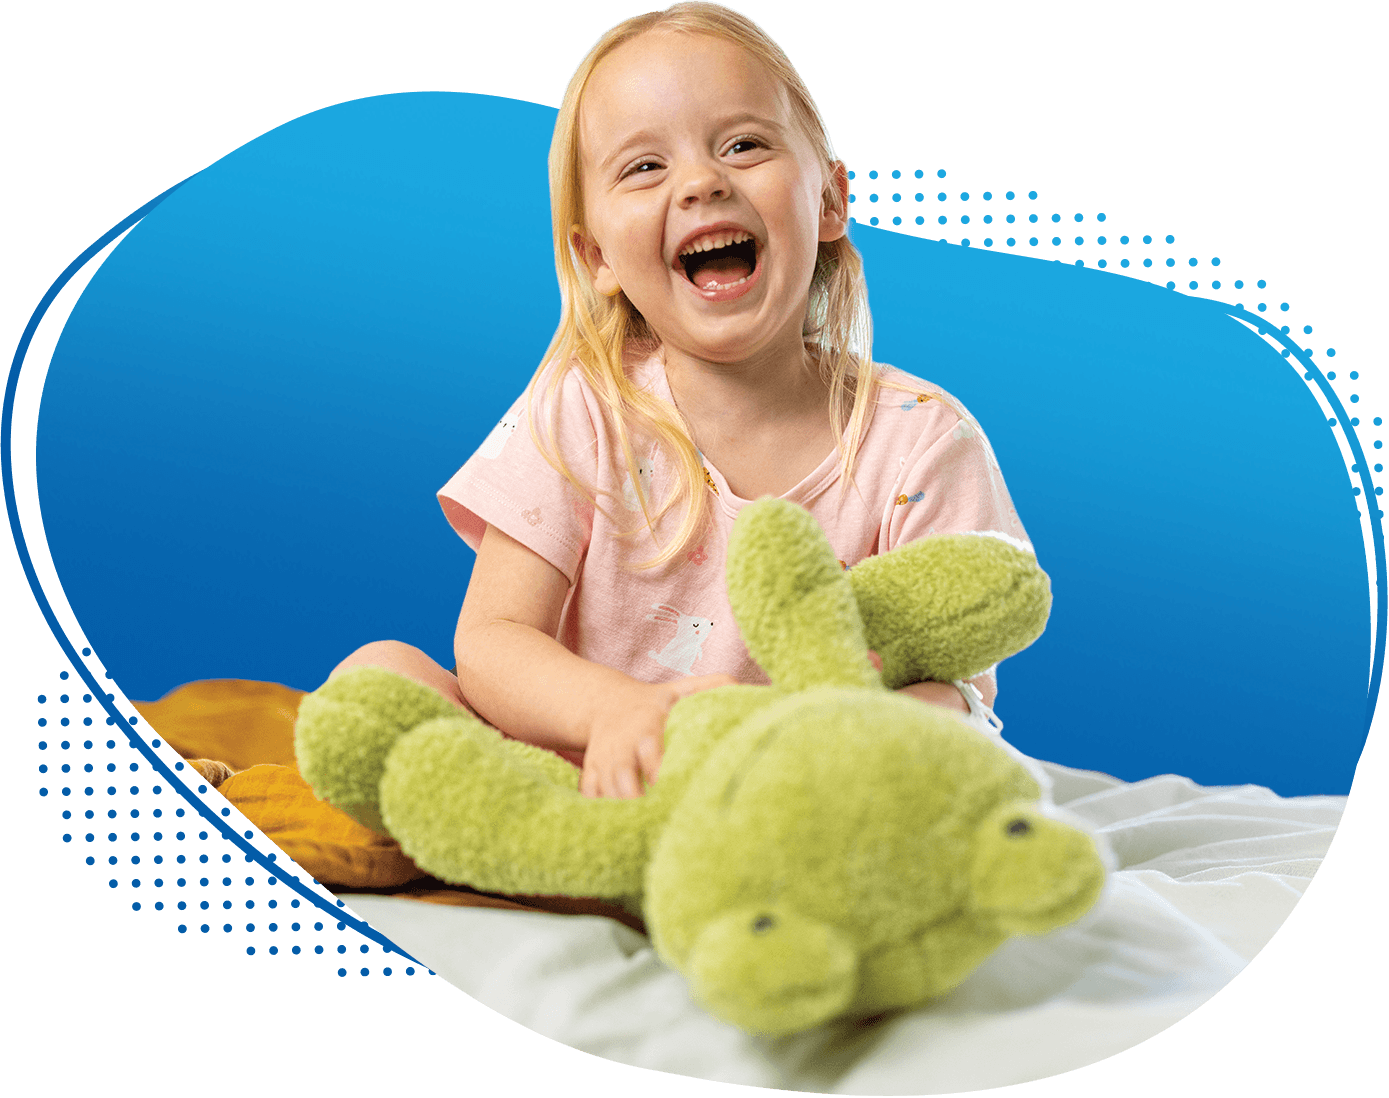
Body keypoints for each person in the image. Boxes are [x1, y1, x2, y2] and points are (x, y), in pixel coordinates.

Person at [328, 1, 1032, 800]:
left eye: (744, 144)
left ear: (830, 200)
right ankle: (552, 847)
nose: (702, 181)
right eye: (644, 167)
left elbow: (958, 686)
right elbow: (493, 640)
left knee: (943, 744)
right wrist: (619, 713)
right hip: (576, 775)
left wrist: (854, 748)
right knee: (379, 676)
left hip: (785, 791)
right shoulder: (585, 408)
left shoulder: (921, 442)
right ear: (596, 256)